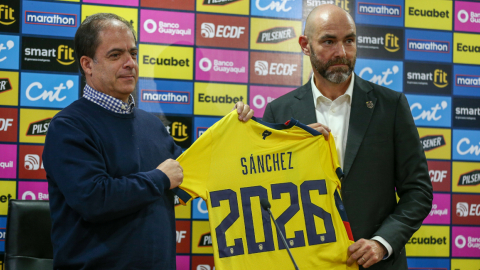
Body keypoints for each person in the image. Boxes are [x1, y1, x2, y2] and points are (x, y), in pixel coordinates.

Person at [43, 13, 253, 270]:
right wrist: (159, 179)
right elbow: (94, 199)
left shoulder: (151, 124)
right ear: (87, 64)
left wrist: (245, 135)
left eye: (132, 53)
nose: (130, 63)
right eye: (115, 55)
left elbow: (199, 171)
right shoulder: (69, 126)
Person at [262, 5, 433, 270]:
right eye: (329, 41)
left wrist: (382, 242)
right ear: (305, 45)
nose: (342, 53)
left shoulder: (392, 105)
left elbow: (418, 191)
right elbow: (266, 192)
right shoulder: (279, 111)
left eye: (349, 41)